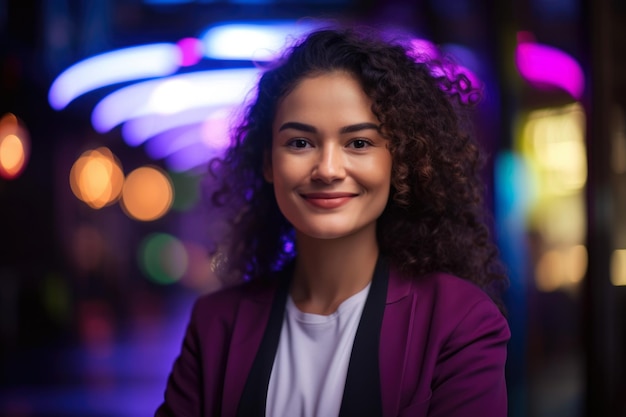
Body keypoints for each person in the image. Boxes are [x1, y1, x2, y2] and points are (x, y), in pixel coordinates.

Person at [156, 26, 510, 417]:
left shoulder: (459, 322)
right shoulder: (215, 325)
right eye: (300, 143)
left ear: (399, 161)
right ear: (268, 163)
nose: (327, 169)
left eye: (358, 143)